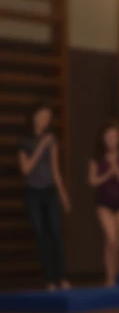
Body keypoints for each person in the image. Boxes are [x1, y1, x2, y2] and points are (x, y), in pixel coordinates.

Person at [16, 102, 70, 290]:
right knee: (41, 234)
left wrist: (63, 195)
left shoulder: (52, 139)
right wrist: (41, 147)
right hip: (33, 192)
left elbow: (55, 170)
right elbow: (26, 169)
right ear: (34, 116)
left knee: (56, 233)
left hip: (50, 191)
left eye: (48, 116)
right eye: (42, 115)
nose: (45, 119)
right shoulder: (24, 140)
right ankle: (49, 280)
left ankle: (62, 277)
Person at [89, 121, 119, 287]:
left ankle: (117, 274)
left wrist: (118, 171)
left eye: (114, 136)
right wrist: (108, 173)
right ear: (103, 139)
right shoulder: (96, 159)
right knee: (111, 237)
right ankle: (110, 278)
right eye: (108, 136)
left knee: (118, 243)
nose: (111, 139)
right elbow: (92, 181)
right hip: (104, 204)